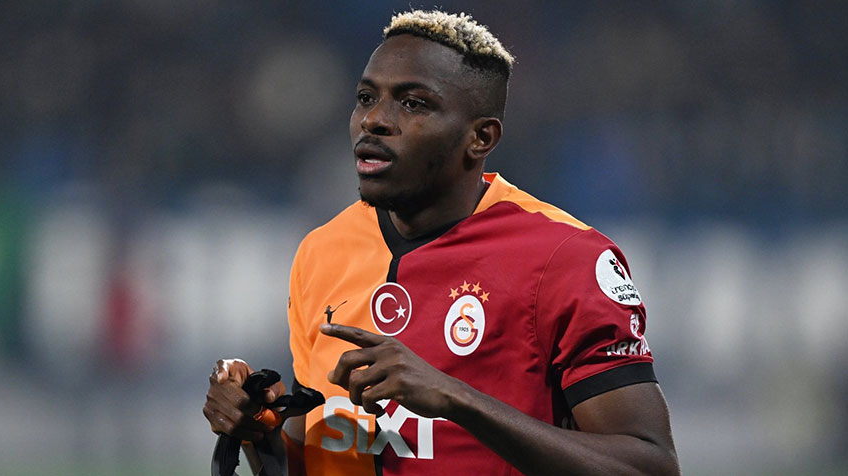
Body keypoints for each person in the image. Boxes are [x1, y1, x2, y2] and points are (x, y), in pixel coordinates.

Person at [204, 9, 679, 476]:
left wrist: (456, 398)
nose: (375, 120)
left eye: (413, 104)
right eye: (366, 98)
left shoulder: (565, 260)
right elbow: (317, 460)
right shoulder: (321, 251)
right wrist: (258, 428)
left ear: (480, 138)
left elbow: (650, 466)